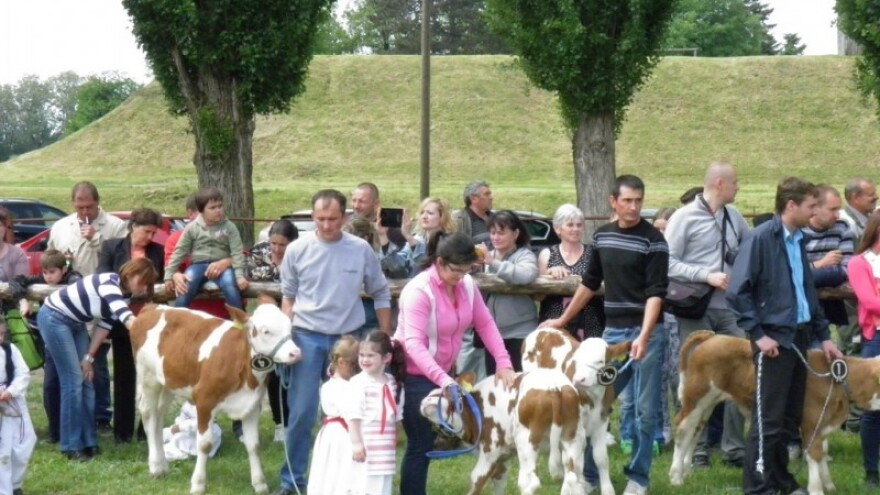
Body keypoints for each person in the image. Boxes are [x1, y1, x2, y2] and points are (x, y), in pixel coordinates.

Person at [541, 175, 668, 495]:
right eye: (627, 200)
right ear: (613, 201)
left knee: (643, 409)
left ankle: (638, 477)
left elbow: (657, 293)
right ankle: (589, 475)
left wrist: (645, 334)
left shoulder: (654, 240)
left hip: (647, 335)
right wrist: (563, 320)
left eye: (639, 200)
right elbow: (589, 282)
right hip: (612, 334)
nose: (634, 206)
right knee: (596, 404)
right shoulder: (603, 237)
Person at [727, 176, 843, 495]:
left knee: (789, 419)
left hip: (801, 338)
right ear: (791, 206)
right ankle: (759, 487)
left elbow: (806, 292)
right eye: (811, 205)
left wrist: (825, 336)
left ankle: (780, 481)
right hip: (774, 343)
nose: (816, 211)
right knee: (768, 420)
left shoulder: (798, 240)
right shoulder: (761, 239)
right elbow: (738, 291)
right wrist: (758, 334)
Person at [273, 189, 392, 495]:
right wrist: (288, 336)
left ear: (345, 216)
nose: (327, 225)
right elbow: (288, 296)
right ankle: (293, 480)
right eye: (321, 219)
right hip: (306, 335)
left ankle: (351, 477)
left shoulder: (360, 249)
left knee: (351, 410)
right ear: (312, 217)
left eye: (333, 219)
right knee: (302, 410)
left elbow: (380, 291)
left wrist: (384, 336)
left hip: (347, 339)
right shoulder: (297, 250)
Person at [395, 231, 516, 495]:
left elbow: (485, 323)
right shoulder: (418, 291)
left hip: (444, 372)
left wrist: (503, 362)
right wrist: (444, 380)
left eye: (467, 270)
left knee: (437, 438)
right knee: (420, 443)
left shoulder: (467, 284)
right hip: (413, 374)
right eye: (457, 270)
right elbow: (413, 344)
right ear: (439, 262)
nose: (462, 276)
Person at [664, 162, 750, 468]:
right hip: (695, 307)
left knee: (741, 373)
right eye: (735, 182)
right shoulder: (683, 218)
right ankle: (697, 447)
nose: (738, 187)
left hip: (730, 309)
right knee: (697, 378)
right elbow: (668, 262)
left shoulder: (734, 217)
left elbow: (748, 250)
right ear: (719, 183)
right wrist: (705, 275)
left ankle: (734, 448)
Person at [36, 257, 158, 461]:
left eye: (149, 283)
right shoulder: (108, 282)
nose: (145, 287)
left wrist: (89, 358)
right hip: (54, 318)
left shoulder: (125, 296)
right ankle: (70, 445)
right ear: (128, 275)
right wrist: (147, 337)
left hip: (77, 324)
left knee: (86, 380)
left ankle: (89, 442)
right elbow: (124, 316)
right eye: (142, 280)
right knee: (72, 381)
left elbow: (105, 326)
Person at [46, 181, 127, 429]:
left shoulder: (115, 226)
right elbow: (48, 259)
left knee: (97, 364)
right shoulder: (61, 227)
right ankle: (65, 418)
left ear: (97, 202)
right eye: (79, 207)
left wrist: (97, 239)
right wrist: (63, 261)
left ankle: (101, 416)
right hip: (66, 305)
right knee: (62, 367)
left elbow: (122, 262)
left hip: (98, 306)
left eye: (89, 207)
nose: (84, 213)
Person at [97, 207, 165, 443]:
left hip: (149, 322)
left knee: (151, 377)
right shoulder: (111, 247)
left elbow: (161, 282)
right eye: (147, 231)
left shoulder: (158, 251)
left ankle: (146, 431)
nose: (150, 237)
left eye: (153, 233)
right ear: (133, 226)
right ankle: (122, 433)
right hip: (120, 321)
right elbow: (102, 276)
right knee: (124, 377)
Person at [11, 249, 81, 444]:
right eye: (45, 272)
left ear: (63, 270)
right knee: (50, 385)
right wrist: (23, 300)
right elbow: (17, 281)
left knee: (73, 385)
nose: (48, 277)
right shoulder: (41, 280)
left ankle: (76, 428)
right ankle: (54, 430)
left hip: (73, 339)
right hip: (50, 340)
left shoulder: (74, 279)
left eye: (52, 272)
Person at [243, 219, 298, 442]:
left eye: (282, 245)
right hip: (265, 323)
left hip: (291, 319)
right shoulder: (259, 252)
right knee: (258, 372)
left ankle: (285, 423)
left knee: (283, 374)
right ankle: (253, 424)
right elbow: (249, 277)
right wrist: (264, 296)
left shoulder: (299, 255)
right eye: (273, 243)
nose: (276, 249)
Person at [164, 187, 248, 310]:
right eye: (212, 208)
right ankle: (178, 318)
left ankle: (239, 320)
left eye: (220, 206)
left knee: (230, 283)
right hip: (198, 265)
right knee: (186, 285)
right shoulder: (192, 228)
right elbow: (180, 251)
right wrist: (169, 275)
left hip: (222, 266)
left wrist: (240, 276)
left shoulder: (229, 227)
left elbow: (237, 252)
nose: (218, 210)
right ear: (202, 210)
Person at [846, 210, 880, 489]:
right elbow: (870, 303)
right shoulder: (860, 263)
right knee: (873, 407)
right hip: (876, 337)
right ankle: (871, 470)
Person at [537, 203, 605, 341]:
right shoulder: (547, 254)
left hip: (591, 323)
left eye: (579, 225)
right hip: (554, 325)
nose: (575, 229)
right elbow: (538, 297)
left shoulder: (594, 253)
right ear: (557, 228)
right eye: (570, 225)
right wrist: (549, 274)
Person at [481, 210, 538, 373]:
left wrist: (494, 264)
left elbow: (525, 275)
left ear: (515, 234)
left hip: (521, 333)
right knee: (494, 382)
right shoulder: (486, 256)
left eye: (501, 233)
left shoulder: (525, 255)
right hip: (492, 333)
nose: (495, 237)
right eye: (492, 233)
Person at [349, 331, 405, 495]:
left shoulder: (393, 383)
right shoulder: (358, 383)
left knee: (382, 488)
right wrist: (357, 444)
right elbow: (353, 417)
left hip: (385, 450)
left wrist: (395, 440)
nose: (365, 360)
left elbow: (397, 418)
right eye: (362, 355)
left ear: (386, 358)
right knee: (362, 486)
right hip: (365, 447)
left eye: (371, 355)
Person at [306, 335, 360, 495]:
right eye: (354, 366)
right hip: (341, 435)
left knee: (332, 470)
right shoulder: (342, 388)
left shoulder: (331, 385)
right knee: (338, 470)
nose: (357, 371)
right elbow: (350, 414)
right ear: (342, 362)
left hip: (332, 433)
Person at [803, 185, 855, 328]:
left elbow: (845, 270)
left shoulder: (842, 227)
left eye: (838, 209)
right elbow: (789, 273)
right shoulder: (799, 229)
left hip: (830, 303)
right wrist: (820, 264)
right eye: (832, 209)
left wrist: (807, 272)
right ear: (815, 208)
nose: (837, 215)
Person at [0, 316, 37, 495]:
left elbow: (23, 373)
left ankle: (15, 484)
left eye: (2, 334)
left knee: (25, 443)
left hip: (12, 402)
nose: (0, 338)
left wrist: (11, 391)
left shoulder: (9, 350)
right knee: (2, 451)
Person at [393, 197, 456, 277]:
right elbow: (396, 265)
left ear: (442, 217)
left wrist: (408, 236)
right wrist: (383, 236)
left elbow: (426, 266)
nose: (424, 216)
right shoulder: (419, 238)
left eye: (430, 213)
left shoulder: (449, 242)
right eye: (422, 212)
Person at [453, 180, 493, 246]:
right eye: (487, 194)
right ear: (473, 199)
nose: (491, 198)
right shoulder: (458, 221)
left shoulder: (496, 218)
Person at [840, 177, 878, 241]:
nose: (876, 197)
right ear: (856, 199)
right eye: (871, 195)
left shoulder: (871, 215)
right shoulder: (847, 224)